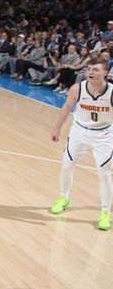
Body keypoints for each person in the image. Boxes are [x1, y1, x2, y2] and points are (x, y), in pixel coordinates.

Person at [49, 57, 112, 230]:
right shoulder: (77, 88)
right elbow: (67, 107)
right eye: (89, 69)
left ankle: (105, 212)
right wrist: (57, 128)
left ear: (105, 73)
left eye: (96, 69)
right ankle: (64, 197)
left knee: (103, 174)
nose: (91, 72)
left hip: (104, 135)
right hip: (79, 132)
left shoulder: (112, 92)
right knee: (66, 166)